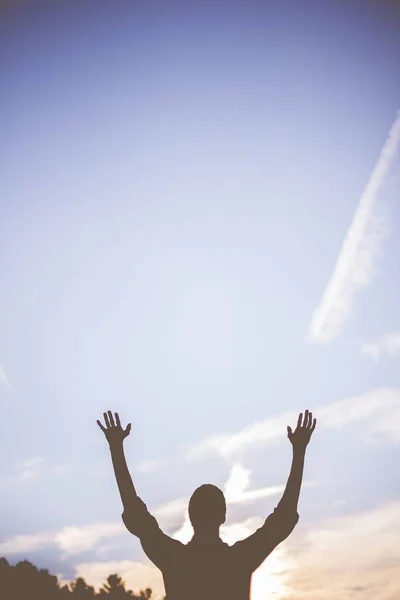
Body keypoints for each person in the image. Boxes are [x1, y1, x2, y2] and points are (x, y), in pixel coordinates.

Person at [97, 409, 316, 600]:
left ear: (190, 516)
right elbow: (283, 519)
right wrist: (299, 451)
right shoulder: (238, 560)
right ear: (223, 516)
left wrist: (116, 448)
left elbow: (137, 517)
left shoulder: (175, 560)